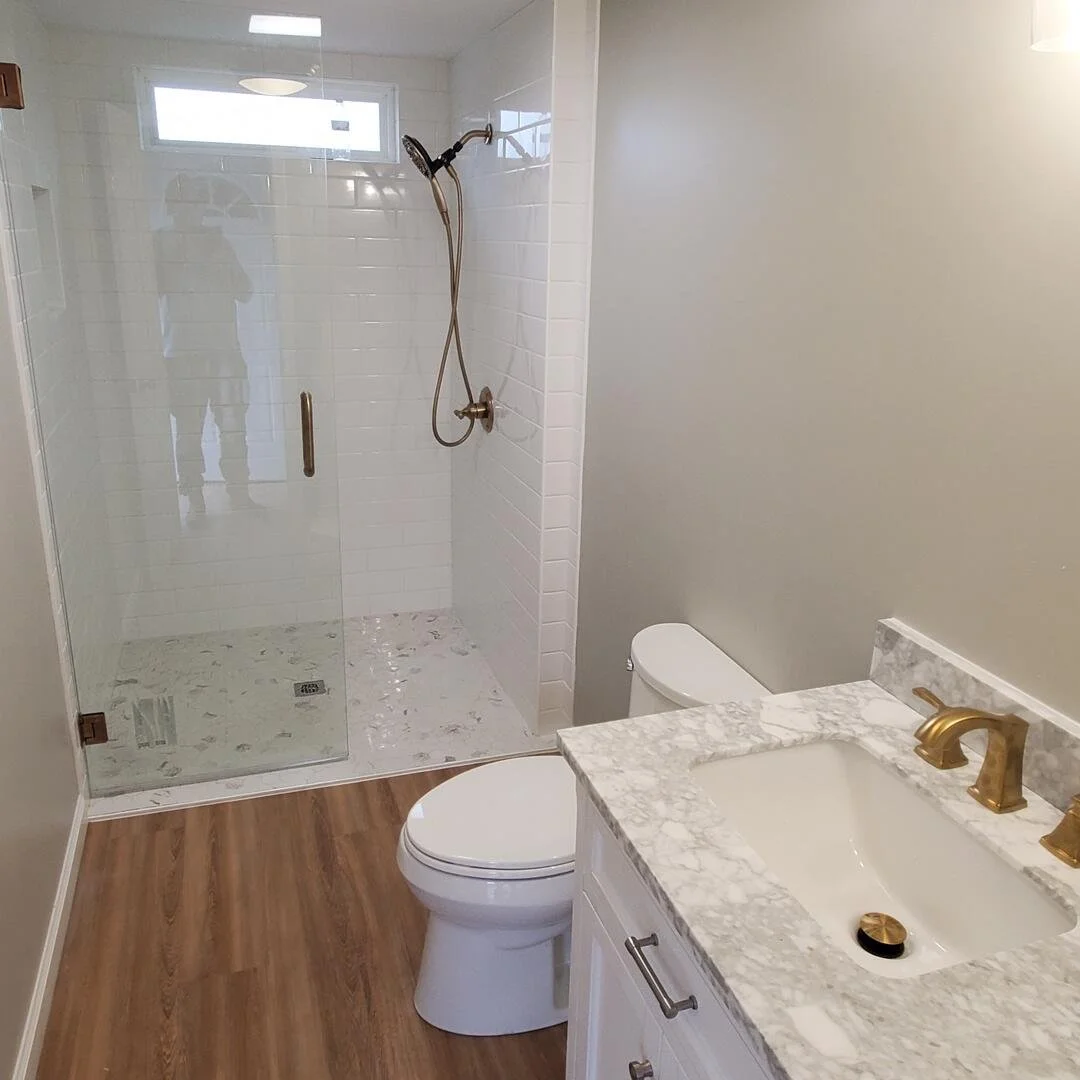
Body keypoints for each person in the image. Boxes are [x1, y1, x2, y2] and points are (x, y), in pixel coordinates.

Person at [154, 173, 255, 513]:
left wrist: (219, 267)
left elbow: (245, 291)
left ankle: (239, 494)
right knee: (188, 430)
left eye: (197, 202)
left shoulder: (218, 243)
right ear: (172, 207)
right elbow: (146, 293)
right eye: (184, 202)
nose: (191, 210)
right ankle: (195, 499)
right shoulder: (159, 244)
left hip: (223, 349)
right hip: (182, 352)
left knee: (232, 427)